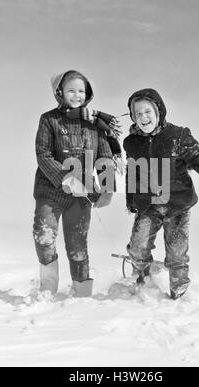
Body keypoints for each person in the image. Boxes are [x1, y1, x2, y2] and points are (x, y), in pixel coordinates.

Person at [123, 88, 199, 300]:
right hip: (149, 205)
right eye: (138, 114)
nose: (143, 117)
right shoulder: (131, 143)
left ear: (159, 112)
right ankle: (143, 278)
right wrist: (131, 199)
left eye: (147, 111)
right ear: (133, 118)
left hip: (177, 205)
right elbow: (132, 172)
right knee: (137, 248)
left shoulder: (177, 136)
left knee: (176, 253)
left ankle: (179, 290)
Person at [33, 70, 120, 297]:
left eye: (81, 91)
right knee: (44, 235)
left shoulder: (95, 124)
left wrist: (107, 189)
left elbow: (104, 157)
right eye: (71, 90)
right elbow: (43, 154)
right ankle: (48, 287)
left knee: (77, 244)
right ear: (59, 92)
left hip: (82, 194)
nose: (77, 95)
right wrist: (65, 178)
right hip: (49, 191)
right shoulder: (49, 119)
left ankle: (82, 294)